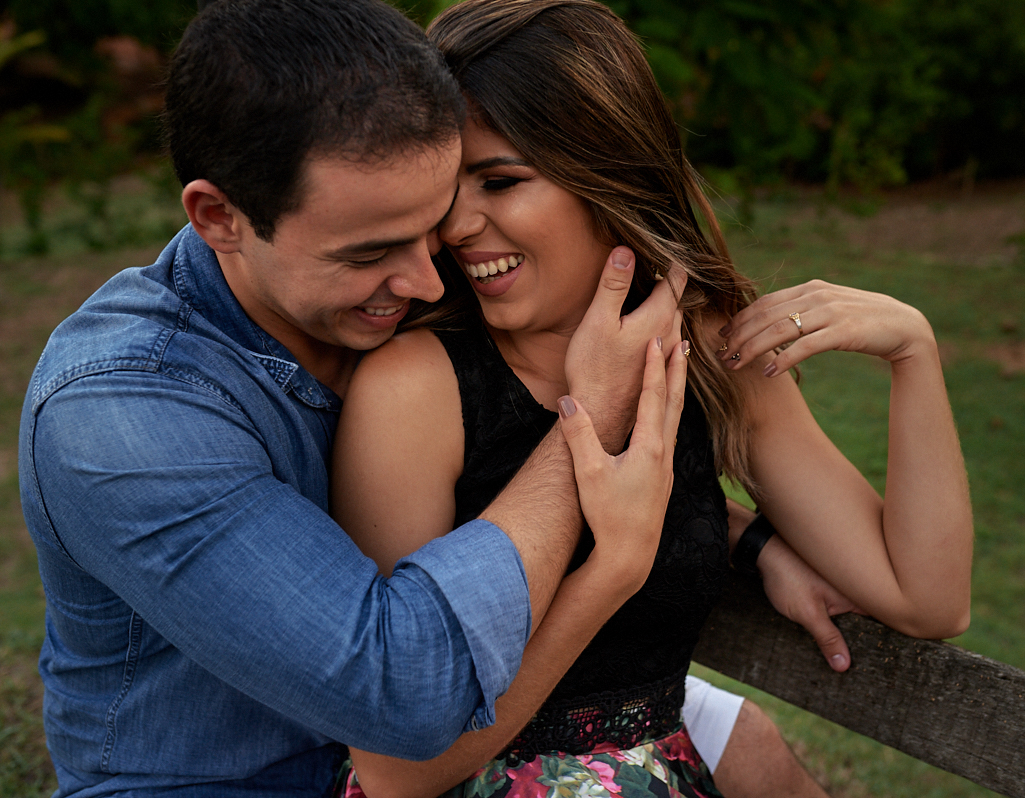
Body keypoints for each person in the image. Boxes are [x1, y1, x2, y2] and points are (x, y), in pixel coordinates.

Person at [17, 1, 691, 795]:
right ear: (219, 217)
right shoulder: (115, 412)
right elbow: (402, 692)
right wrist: (592, 414)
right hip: (248, 782)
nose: (428, 279)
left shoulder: (404, 308)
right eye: (371, 251)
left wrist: (750, 540)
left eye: (429, 223)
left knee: (745, 744)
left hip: (471, 742)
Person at [330, 1, 974, 797]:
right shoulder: (414, 390)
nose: (456, 225)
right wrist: (615, 569)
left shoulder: (702, 349)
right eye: (443, 186)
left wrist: (915, 351)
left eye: (500, 180)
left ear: (608, 172)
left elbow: (927, 597)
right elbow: (397, 768)